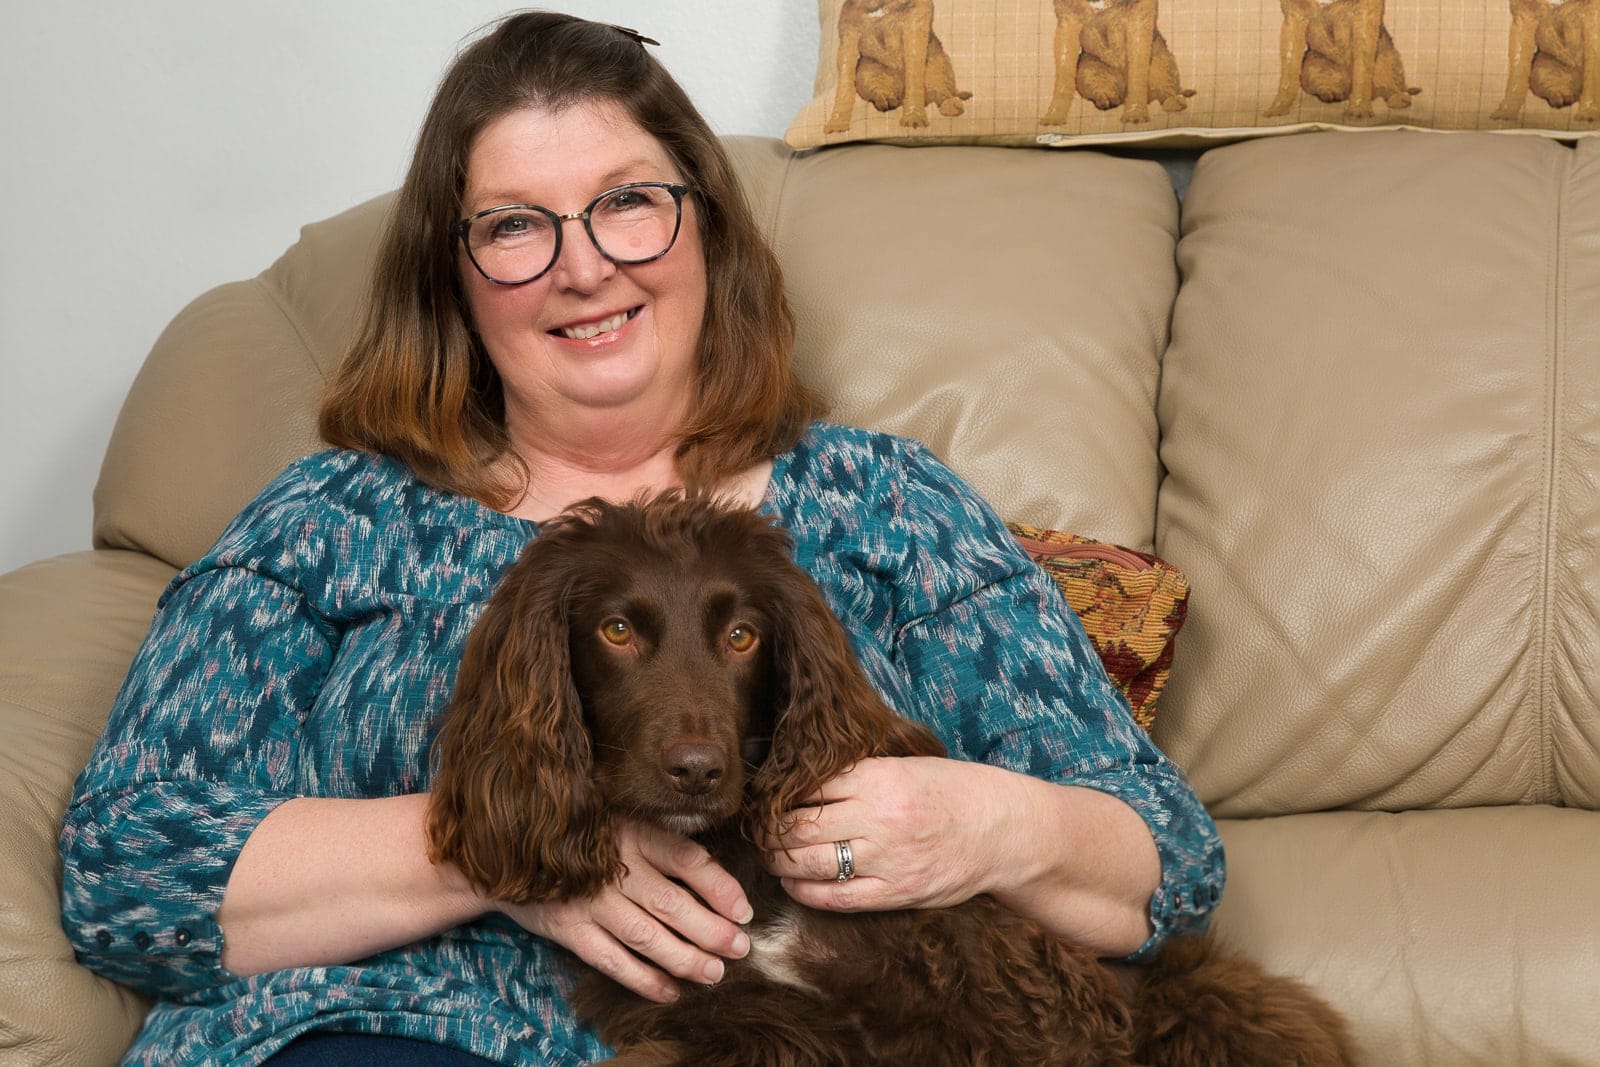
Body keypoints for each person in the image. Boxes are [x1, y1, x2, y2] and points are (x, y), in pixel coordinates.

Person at [58, 11, 1224, 1066]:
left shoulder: (887, 509)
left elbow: (1166, 862)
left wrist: (990, 823)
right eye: (516, 226)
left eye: (625, 201)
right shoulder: (336, 524)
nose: (582, 265)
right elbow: (123, 868)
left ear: (704, 231)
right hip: (391, 1030)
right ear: (454, 279)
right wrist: (513, 849)